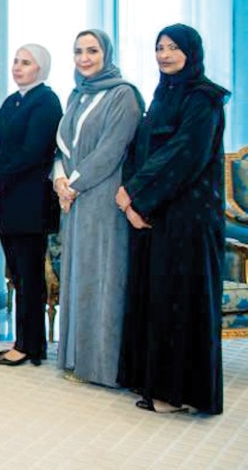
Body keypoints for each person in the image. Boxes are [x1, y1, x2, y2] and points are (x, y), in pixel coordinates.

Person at [118, 24, 228, 415]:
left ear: (191, 52)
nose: (164, 55)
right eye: (159, 47)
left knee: (180, 301)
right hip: (152, 213)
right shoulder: (161, 95)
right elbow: (141, 148)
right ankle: (151, 383)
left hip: (188, 217)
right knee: (154, 297)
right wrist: (130, 197)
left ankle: (177, 393)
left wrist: (135, 194)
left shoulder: (205, 99)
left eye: (173, 48)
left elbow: (185, 154)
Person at [53, 29, 143, 385]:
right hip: (74, 199)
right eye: (78, 51)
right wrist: (59, 179)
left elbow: (111, 150)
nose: (84, 58)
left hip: (103, 197)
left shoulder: (123, 95)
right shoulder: (77, 94)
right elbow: (62, 145)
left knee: (103, 277)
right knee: (79, 276)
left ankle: (102, 366)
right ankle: (76, 357)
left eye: (92, 51)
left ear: (107, 53)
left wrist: (72, 184)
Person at [0, 44, 63, 367]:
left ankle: (30, 345)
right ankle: (24, 341)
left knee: (29, 277)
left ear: (39, 69)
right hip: (8, 202)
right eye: (15, 61)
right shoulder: (13, 102)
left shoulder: (46, 101)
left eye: (25, 63)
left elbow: (32, 153)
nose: (17, 67)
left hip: (31, 202)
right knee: (17, 273)